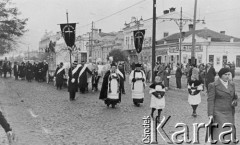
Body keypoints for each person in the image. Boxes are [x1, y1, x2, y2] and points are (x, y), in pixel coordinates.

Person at [207, 68, 238, 145]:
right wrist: (210, 114)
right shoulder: (213, 85)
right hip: (218, 113)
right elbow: (210, 100)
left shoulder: (232, 84)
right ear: (220, 75)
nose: (227, 76)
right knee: (220, 133)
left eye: (229, 74)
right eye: (225, 74)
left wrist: (235, 101)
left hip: (229, 112)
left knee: (229, 133)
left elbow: (234, 97)